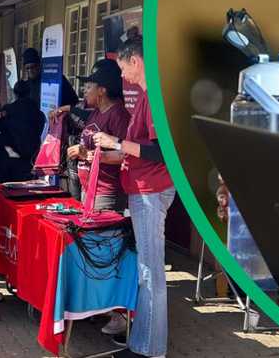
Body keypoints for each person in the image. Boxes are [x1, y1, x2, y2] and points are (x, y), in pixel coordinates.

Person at [93, 35, 174, 357]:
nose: (122, 76)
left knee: (149, 272)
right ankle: (142, 344)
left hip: (150, 191)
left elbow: (161, 150)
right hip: (145, 188)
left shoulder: (154, 94)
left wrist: (115, 143)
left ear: (136, 61)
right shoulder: (147, 94)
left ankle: (150, 350)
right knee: (147, 271)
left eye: (122, 67)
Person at [55, 59, 131, 212]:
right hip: (89, 191)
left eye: (89, 86)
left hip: (106, 195)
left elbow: (126, 154)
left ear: (102, 90)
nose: (84, 90)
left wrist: (88, 154)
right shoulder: (96, 112)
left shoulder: (118, 114)